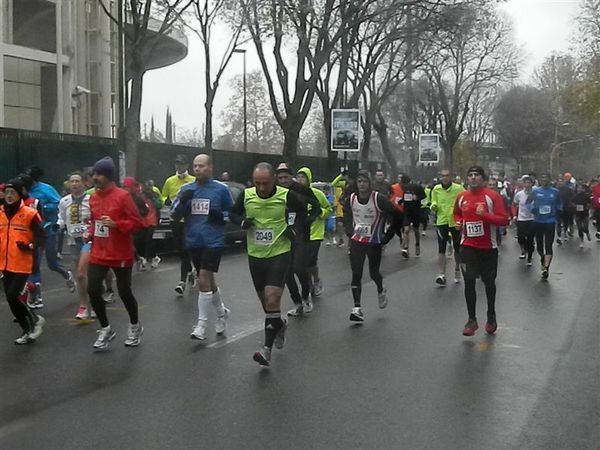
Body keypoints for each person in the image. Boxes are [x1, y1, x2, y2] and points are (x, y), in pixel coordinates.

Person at [230, 162, 307, 367]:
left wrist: (293, 229)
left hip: (279, 253)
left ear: (273, 179)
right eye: (257, 183)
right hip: (256, 255)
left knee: (273, 300)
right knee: (267, 306)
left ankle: (266, 350)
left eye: (265, 183)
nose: (261, 188)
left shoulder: (285, 195)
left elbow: (302, 213)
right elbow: (232, 213)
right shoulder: (246, 195)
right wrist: (242, 222)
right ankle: (279, 324)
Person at [171, 154, 233, 340]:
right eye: (195, 166)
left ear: (210, 167)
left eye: (201, 166)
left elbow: (233, 213)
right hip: (194, 240)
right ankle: (222, 313)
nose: (197, 169)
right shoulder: (186, 189)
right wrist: (183, 201)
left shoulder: (221, 189)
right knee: (208, 281)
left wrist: (220, 216)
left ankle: (201, 324)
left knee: (203, 278)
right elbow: (174, 215)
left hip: (213, 241)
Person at [86, 157, 146, 350]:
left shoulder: (122, 197)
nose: (95, 178)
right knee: (93, 289)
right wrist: (90, 232)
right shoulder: (94, 197)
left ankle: (135, 325)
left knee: (124, 291)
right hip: (98, 252)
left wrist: (117, 224)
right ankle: (106, 328)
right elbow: (96, 221)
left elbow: (137, 223)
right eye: (94, 174)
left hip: (120, 252)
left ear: (109, 177)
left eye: (99, 174)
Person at [454, 166, 509, 336]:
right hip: (468, 245)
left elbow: (504, 220)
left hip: (488, 247)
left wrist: (485, 215)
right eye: (470, 175)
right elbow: (456, 213)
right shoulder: (462, 196)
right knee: (469, 280)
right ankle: (472, 320)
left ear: (483, 179)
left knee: (489, 282)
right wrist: (458, 223)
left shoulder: (492, 196)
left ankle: (491, 315)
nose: (473, 178)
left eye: (476, 175)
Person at [343, 170, 395, 322]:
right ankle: (357, 308)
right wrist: (349, 230)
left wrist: (388, 233)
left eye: (364, 181)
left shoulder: (378, 198)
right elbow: (347, 214)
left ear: (370, 183)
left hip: (374, 241)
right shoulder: (351, 199)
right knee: (356, 273)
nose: (362, 184)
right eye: (359, 181)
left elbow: (394, 213)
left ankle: (380, 289)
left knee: (374, 273)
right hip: (357, 240)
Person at [0, 178, 46, 344]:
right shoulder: (0, 212)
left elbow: (41, 236)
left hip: (22, 262)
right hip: (4, 263)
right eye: (7, 192)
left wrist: (30, 246)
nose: (9, 196)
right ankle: (28, 328)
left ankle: (33, 321)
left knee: (13, 295)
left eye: (13, 192)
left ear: (19, 194)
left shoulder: (30, 213)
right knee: (12, 299)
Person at [275, 163, 320, 317]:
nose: (283, 181)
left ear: (291, 177)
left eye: (285, 178)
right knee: (286, 272)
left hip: (301, 233)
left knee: (299, 268)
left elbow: (317, 207)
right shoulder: (275, 191)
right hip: (282, 234)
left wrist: (309, 219)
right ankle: (297, 302)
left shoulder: (302, 190)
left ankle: (306, 295)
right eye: (280, 178)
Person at [26, 167, 76, 296]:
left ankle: (66, 274)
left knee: (52, 264)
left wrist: (43, 207)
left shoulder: (46, 189)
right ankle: (36, 295)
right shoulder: (25, 192)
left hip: (48, 229)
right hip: (34, 232)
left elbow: (59, 203)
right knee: (34, 263)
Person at [58, 172, 94, 319]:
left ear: (84, 183)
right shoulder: (64, 201)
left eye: (77, 181)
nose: (74, 184)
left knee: (85, 273)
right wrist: (58, 225)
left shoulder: (91, 200)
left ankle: (93, 303)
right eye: (72, 181)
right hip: (73, 241)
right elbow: (61, 217)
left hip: (89, 242)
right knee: (80, 276)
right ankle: (84, 305)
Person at [296, 167, 332, 300]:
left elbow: (328, 209)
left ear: (308, 179)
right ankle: (308, 285)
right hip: (300, 234)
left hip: (315, 233)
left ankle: (316, 280)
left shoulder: (317, 194)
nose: (300, 180)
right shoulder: (293, 193)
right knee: (301, 263)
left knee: (310, 261)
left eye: (303, 177)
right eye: (298, 177)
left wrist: (319, 214)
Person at [162, 155, 196, 295]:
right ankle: (190, 271)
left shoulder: (193, 180)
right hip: (175, 219)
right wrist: (167, 202)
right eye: (177, 164)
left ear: (186, 165)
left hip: (189, 220)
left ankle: (182, 281)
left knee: (186, 248)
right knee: (180, 250)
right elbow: (164, 196)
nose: (179, 167)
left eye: (181, 164)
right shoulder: (170, 181)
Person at [430, 169, 465, 285]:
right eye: (443, 176)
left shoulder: (458, 188)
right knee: (441, 249)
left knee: (457, 248)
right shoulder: (436, 189)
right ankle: (442, 274)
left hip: (455, 222)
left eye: (447, 176)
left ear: (451, 177)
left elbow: (465, 200)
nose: (445, 178)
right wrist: (433, 206)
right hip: (442, 221)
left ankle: (457, 269)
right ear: (440, 178)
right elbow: (433, 202)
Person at [526, 173, 562, 280]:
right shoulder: (535, 191)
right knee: (540, 245)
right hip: (538, 221)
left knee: (549, 245)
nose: (544, 181)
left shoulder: (555, 192)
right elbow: (527, 202)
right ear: (540, 181)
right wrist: (531, 209)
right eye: (542, 179)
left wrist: (557, 210)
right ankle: (542, 258)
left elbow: (560, 203)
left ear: (550, 180)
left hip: (550, 221)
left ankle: (546, 267)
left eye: (546, 179)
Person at [399, 174, 426, 258]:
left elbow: (424, 196)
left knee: (416, 230)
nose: (404, 186)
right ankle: (406, 248)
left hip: (416, 211)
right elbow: (405, 197)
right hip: (407, 212)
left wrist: (417, 197)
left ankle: (417, 244)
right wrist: (401, 201)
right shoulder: (404, 188)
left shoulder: (417, 187)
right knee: (406, 230)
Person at [512, 176, 536, 266]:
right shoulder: (519, 194)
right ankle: (523, 250)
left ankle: (529, 257)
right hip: (521, 219)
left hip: (532, 219)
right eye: (525, 183)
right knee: (521, 238)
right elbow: (514, 205)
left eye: (529, 183)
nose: (527, 184)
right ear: (523, 184)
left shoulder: (535, 194)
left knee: (530, 239)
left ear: (531, 184)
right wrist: (514, 215)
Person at [572, 183, 592, 247]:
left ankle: (587, 233)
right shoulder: (575, 196)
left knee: (585, 227)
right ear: (577, 189)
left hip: (585, 214)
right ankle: (581, 240)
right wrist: (575, 206)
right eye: (578, 188)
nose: (579, 189)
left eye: (581, 188)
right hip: (577, 214)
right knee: (580, 228)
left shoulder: (586, 196)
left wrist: (587, 207)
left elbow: (590, 202)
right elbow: (572, 202)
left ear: (583, 189)